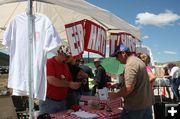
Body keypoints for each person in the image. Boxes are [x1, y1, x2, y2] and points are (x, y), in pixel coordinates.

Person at [109, 44, 153, 119]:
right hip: (145, 105)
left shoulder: (130, 65)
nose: (117, 59)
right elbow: (137, 82)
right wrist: (120, 84)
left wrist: (115, 95)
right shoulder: (138, 61)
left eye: (117, 56)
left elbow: (128, 88)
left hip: (135, 107)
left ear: (123, 53)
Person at [39, 45, 81, 115]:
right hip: (49, 102)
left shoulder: (65, 65)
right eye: (67, 57)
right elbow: (51, 80)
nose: (68, 59)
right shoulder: (50, 62)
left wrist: (76, 83)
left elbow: (68, 79)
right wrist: (69, 84)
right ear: (59, 54)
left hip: (62, 101)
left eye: (69, 57)